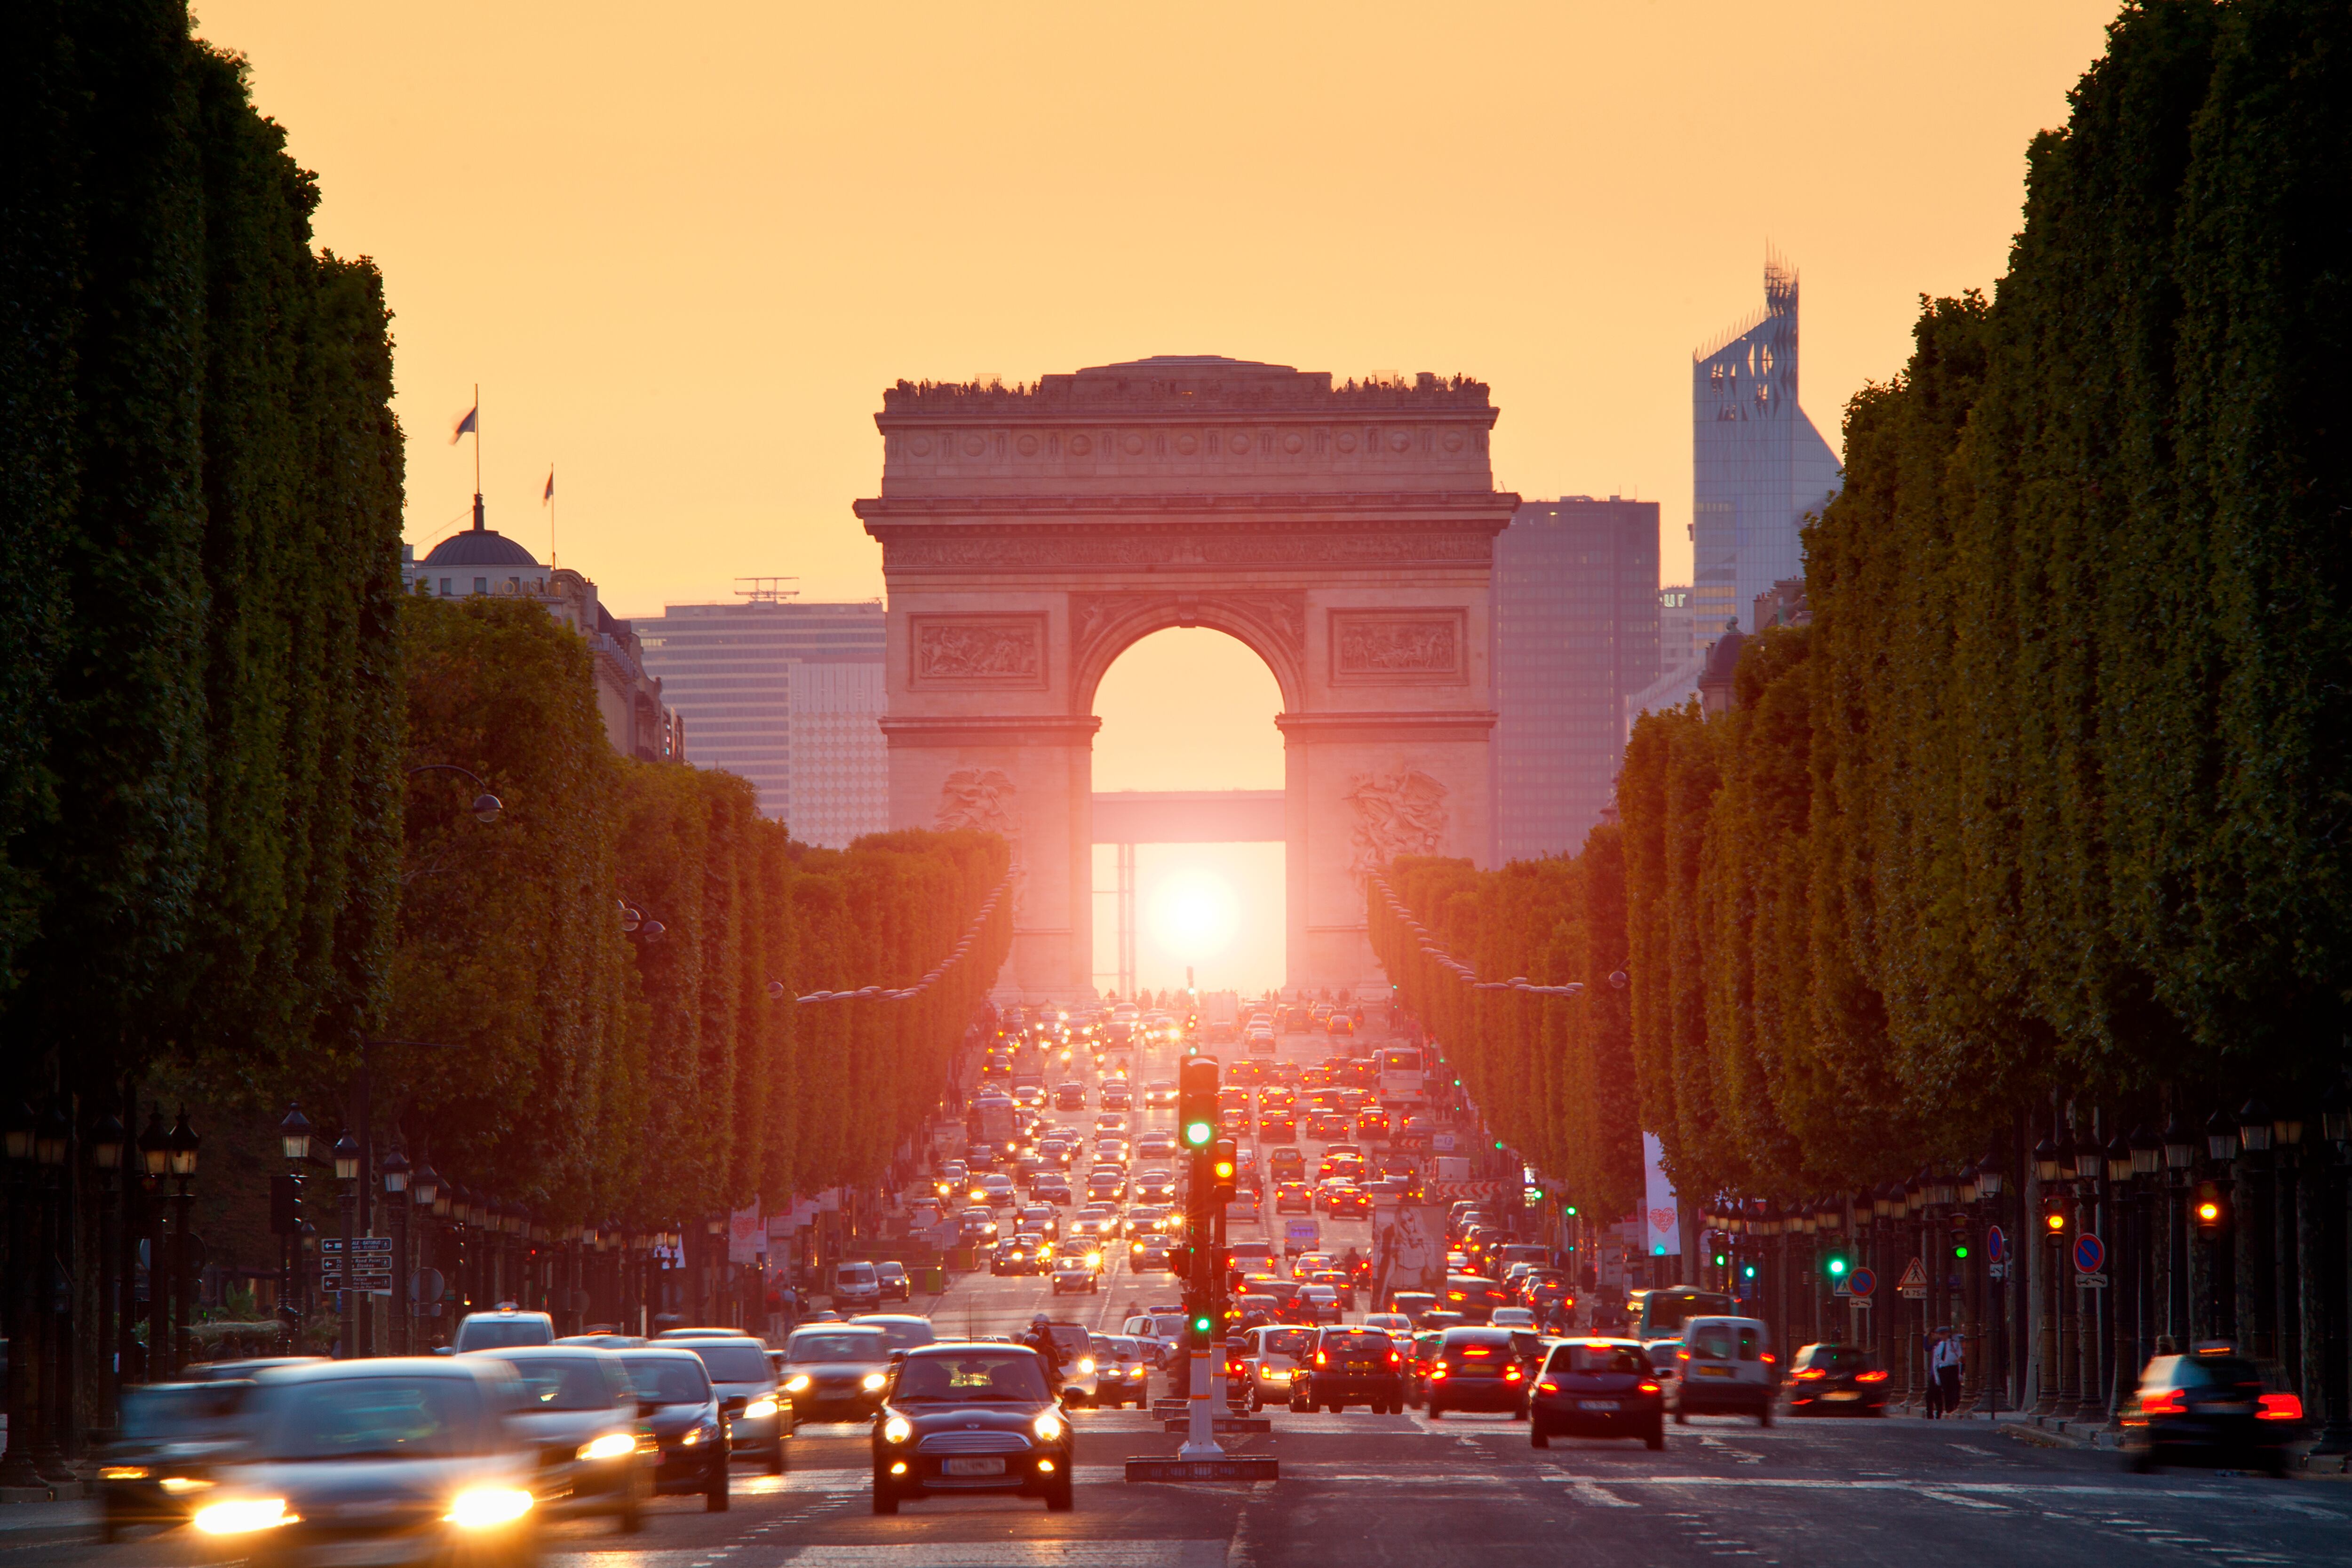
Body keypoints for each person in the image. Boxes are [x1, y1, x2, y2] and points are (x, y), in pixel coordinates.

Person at [1019, 1313, 1065, 1389]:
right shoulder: (1023, 1354)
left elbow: (1056, 1368)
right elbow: (1018, 1369)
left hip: (1047, 1385)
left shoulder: (1051, 1351)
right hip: (1027, 1385)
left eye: (1044, 1337)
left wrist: (1056, 1375)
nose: (1041, 1338)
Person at [1933, 1328, 1963, 1417]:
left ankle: (1956, 1407)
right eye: (1941, 1334)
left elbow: (1960, 1359)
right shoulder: (1938, 1347)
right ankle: (1949, 1409)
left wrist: (1960, 1373)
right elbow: (1936, 1363)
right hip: (1943, 1369)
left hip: (1953, 1368)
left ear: (1948, 1334)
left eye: (1944, 1334)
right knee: (1947, 1390)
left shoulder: (1955, 1344)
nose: (1943, 1336)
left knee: (1955, 1389)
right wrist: (1937, 1377)